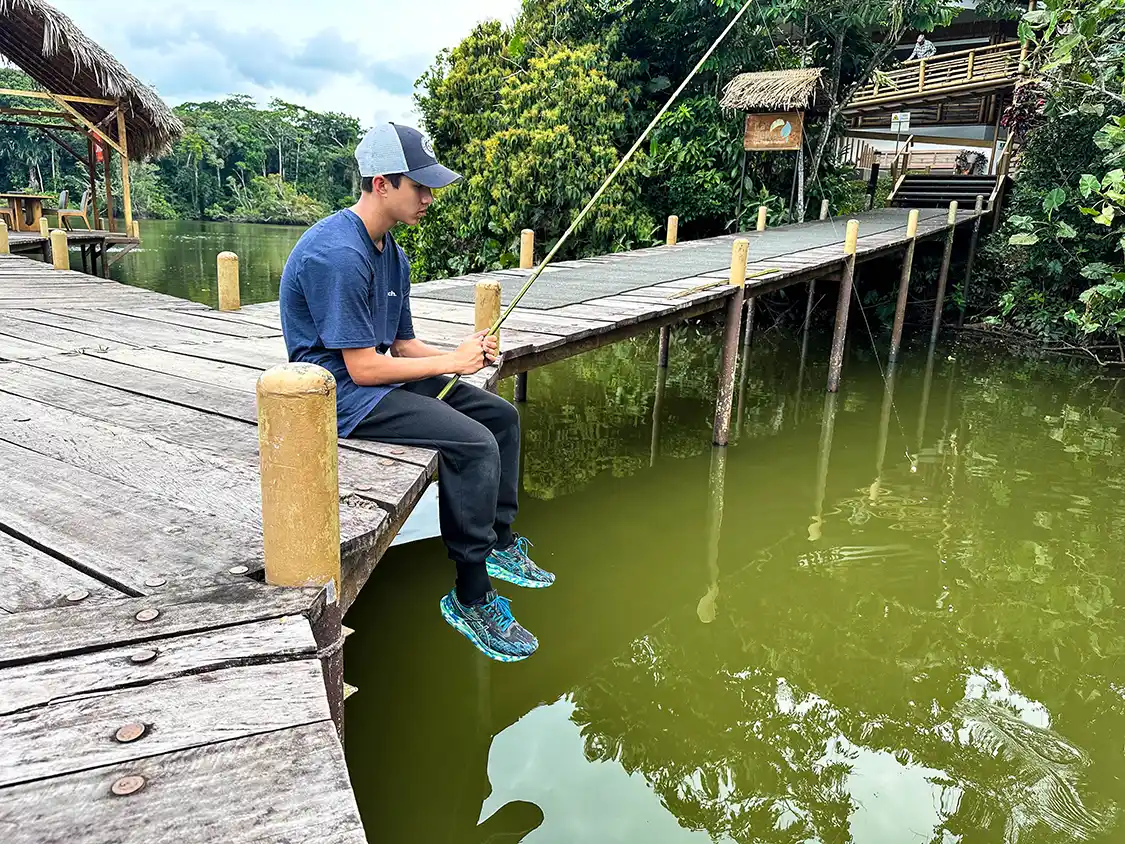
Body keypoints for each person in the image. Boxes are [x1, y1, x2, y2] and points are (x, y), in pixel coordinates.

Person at [279, 123, 555, 662]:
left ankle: (499, 543)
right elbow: (359, 369)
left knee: (500, 418)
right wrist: (453, 363)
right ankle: (471, 595)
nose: (428, 198)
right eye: (419, 186)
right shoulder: (336, 254)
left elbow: (402, 346)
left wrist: (461, 351)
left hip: (375, 375)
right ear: (381, 183)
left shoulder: (392, 254)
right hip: (338, 397)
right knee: (472, 443)